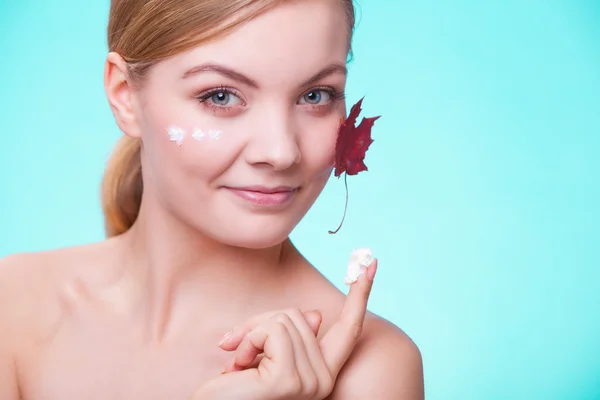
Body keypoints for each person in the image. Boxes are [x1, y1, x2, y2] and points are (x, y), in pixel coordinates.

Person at [0, 0, 424, 398]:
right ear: (125, 95)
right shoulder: (14, 304)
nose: (280, 152)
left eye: (316, 95)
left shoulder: (371, 369)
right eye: (220, 95)